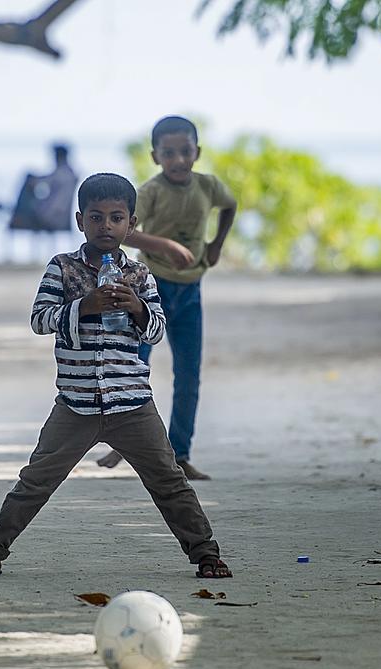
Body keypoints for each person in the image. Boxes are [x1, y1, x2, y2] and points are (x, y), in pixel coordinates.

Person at [0, 173, 231, 580]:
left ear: (131, 225)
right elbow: (39, 320)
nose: (106, 226)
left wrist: (136, 307)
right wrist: (84, 305)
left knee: (169, 482)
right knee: (35, 481)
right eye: (96, 218)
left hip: (132, 404)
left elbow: (156, 330)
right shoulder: (61, 269)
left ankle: (206, 554)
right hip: (75, 404)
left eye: (116, 218)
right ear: (80, 221)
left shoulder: (140, 276)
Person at [95, 116, 236, 480]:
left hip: (191, 289)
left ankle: (179, 454)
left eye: (185, 152)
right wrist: (165, 245)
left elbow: (229, 205)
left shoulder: (207, 186)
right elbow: (124, 231)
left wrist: (216, 245)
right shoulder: (151, 191)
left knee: (188, 374)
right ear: (156, 156)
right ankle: (125, 442)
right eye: (169, 153)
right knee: (134, 367)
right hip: (151, 287)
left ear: (197, 152)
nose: (178, 160)